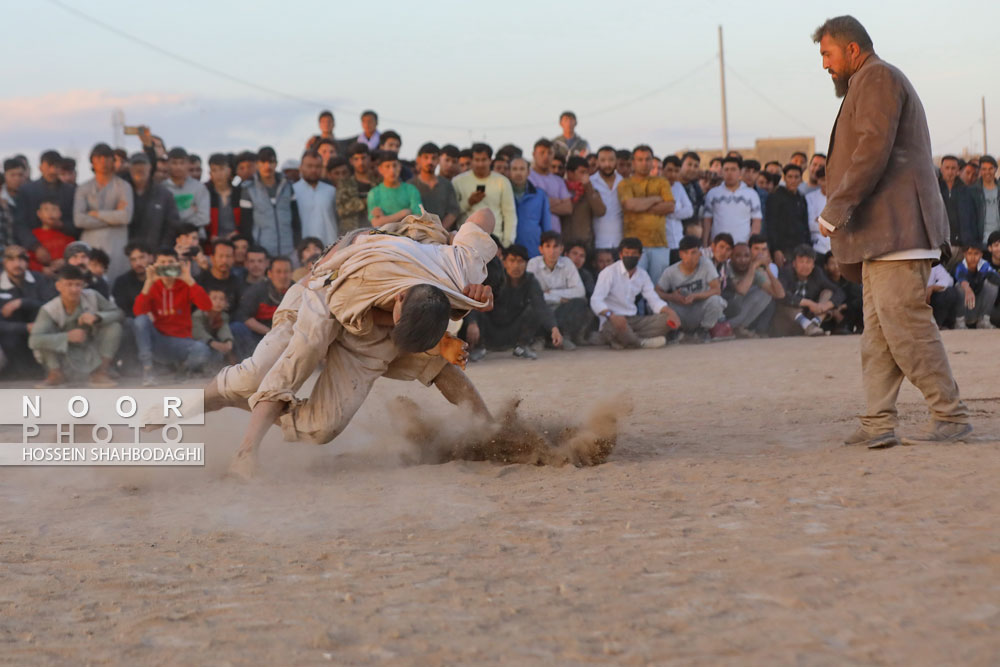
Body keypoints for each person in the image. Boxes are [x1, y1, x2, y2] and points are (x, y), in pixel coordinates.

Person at [214, 210, 498, 477]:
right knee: (264, 371)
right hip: (323, 288)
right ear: (398, 299)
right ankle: (244, 448)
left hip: (381, 303)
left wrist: (460, 258)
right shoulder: (361, 281)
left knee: (320, 429)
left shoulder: (462, 269)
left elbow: (485, 214)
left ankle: (489, 432)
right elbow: (323, 319)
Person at [814, 15, 970, 447]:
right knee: (879, 336)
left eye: (827, 54)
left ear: (851, 50)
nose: (823, 64)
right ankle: (877, 421)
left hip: (899, 230)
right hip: (882, 236)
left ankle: (951, 415)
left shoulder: (877, 77)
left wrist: (837, 207)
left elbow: (872, 149)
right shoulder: (869, 80)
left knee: (906, 326)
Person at [29, 264, 122, 388]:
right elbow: (34, 340)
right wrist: (67, 337)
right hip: (63, 356)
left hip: (90, 350)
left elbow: (119, 313)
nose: (74, 289)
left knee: (114, 327)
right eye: (69, 284)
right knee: (45, 336)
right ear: (58, 286)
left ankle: (100, 373)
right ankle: (55, 374)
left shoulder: (92, 296)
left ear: (83, 285)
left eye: (78, 285)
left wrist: (97, 317)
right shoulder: (49, 310)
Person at [132, 247, 215, 385]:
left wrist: (189, 280)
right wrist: (148, 282)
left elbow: (206, 306)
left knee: (202, 350)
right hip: (159, 340)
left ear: (177, 264)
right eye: (162, 262)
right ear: (155, 265)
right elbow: (139, 313)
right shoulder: (153, 285)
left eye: (170, 262)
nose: (166, 266)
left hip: (181, 343)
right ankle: (148, 369)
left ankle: (183, 369)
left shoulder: (185, 284)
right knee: (140, 321)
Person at [463, 243, 559, 361]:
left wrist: (553, 328)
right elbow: (474, 300)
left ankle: (521, 347)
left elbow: (541, 306)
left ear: (526, 263)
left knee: (533, 309)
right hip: (490, 328)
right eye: (512, 261)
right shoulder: (494, 277)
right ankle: (479, 348)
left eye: (520, 261)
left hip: (513, 329)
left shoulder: (530, 281)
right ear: (504, 262)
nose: (516, 266)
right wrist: (472, 323)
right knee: (479, 304)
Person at [589, 237, 679, 349]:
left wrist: (670, 312)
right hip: (612, 320)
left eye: (634, 254)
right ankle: (640, 343)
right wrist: (611, 315)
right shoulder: (609, 273)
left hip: (634, 320)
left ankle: (623, 341)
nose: (630, 256)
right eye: (627, 253)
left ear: (640, 256)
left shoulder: (642, 275)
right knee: (614, 327)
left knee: (667, 320)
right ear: (621, 255)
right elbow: (595, 300)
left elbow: (653, 299)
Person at [73, 143, 134, 279]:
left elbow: (125, 217)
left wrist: (96, 214)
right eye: (98, 158)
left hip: (117, 243)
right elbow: (79, 220)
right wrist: (113, 218)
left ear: (113, 161)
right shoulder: (83, 188)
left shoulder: (123, 186)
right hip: (91, 242)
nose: (103, 162)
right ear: (92, 161)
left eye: (107, 158)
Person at [656, 236, 732, 343]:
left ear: (700, 253)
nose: (690, 257)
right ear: (680, 254)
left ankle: (703, 331)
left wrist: (695, 296)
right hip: (680, 311)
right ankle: (675, 331)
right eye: (686, 253)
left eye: (694, 252)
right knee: (659, 305)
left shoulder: (706, 264)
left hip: (698, 310)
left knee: (716, 301)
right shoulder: (670, 272)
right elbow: (657, 292)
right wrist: (672, 297)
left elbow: (716, 290)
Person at [617, 145, 675, 285]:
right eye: (640, 159)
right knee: (633, 286)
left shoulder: (662, 182)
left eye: (648, 159)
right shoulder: (625, 184)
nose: (644, 163)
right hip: (633, 246)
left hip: (659, 244)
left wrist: (640, 206)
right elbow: (630, 205)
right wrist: (656, 199)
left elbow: (670, 206)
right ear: (633, 162)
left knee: (659, 286)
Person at [526, 231, 591, 348]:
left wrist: (552, 293)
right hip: (542, 308)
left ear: (561, 249)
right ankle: (539, 338)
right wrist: (560, 298)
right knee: (531, 306)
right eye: (548, 246)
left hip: (560, 308)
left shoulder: (567, 263)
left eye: (556, 246)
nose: (552, 251)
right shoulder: (533, 264)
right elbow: (531, 295)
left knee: (580, 303)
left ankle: (562, 337)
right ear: (541, 249)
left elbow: (580, 291)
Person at [0, 244, 54, 378]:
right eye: (11, 260)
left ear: (27, 262)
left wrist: (22, 302)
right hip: (10, 334)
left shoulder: (39, 279)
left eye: (21, 260)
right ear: (4, 262)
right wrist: (25, 327)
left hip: (40, 329)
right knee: (10, 341)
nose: (17, 264)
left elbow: (50, 305)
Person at [240, 146, 300, 259]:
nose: (267, 166)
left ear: (276, 163)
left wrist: (297, 244)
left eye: (271, 162)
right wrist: (253, 249)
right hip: (262, 251)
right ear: (257, 164)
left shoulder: (287, 186)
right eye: (263, 162)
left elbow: (296, 219)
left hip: (288, 250)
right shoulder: (249, 188)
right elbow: (246, 224)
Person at [452, 143, 517, 246]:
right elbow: (452, 213)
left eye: (484, 160)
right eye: (477, 160)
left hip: (494, 240)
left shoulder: (502, 181)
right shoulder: (458, 181)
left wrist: (507, 243)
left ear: (490, 160)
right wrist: (469, 202)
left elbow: (509, 214)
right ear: (472, 160)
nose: (480, 164)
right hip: (466, 241)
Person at [773, 245, 843, 337]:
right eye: (801, 262)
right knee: (786, 302)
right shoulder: (785, 273)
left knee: (827, 292)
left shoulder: (817, 273)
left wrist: (825, 306)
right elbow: (783, 296)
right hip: (788, 322)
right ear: (794, 263)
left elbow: (839, 292)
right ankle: (809, 326)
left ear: (813, 264)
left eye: (808, 262)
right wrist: (809, 303)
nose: (805, 266)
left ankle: (814, 323)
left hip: (811, 315)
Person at [14, 150, 78, 251]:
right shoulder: (27, 191)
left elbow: (77, 222)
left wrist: (61, 225)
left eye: (56, 166)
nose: (52, 170)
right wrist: (35, 247)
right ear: (40, 167)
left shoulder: (71, 192)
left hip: (64, 247)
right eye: (49, 166)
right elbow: (20, 224)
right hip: (34, 249)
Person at [231, 256, 293, 358]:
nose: (283, 276)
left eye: (286, 272)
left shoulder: (298, 291)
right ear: (269, 274)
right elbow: (244, 317)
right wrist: (271, 333)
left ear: (291, 274)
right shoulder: (257, 290)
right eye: (278, 272)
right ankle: (248, 363)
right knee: (237, 328)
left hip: (288, 338)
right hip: (260, 336)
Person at [724, 242, 784, 337]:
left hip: (737, 314)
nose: (743, 260)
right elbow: (741, 290)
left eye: (747, 256)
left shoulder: (753, 270)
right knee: (738, 298)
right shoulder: (727, 267)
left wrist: (767, 268)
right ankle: (727, 328)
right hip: (724, 313)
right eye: (738, 256)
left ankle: (737, 328)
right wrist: (753, 266)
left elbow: (780, 294)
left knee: (767, 294)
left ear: (751, 258)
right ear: (731, 257)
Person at [703, 156, 762, 247]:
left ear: (740, 172)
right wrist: (705, 243)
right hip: (718, 246)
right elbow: (707, 221)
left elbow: (756, 222)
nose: (729, 173)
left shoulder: (752, 194)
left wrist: (750, 244)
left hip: (742, 246)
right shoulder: (712, 194)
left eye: (733, 169)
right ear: (722, 172)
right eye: (726, 170)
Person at [126, 152, 179, 250]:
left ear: (150, 167)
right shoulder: (122, 192)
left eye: (143, 165)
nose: (139, 169)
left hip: (155, 254)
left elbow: (172, 225)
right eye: (135, 165)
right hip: (128, 255)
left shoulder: (164, 194)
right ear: (129, 168)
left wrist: (163, 248)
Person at [765, 164, 811, 266]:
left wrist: (808, 247)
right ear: (784, 178)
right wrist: (776, 249)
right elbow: (771, 225)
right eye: (790, 177)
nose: (793, 180)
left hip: (800, 248)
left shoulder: (801, 198)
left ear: (800, 179)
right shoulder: (775, 197)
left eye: (796, 177)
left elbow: (805, 225)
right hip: (783, 249)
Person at [409, 142, 460, 229]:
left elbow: (453, 212)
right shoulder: (410, 185)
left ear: (438, 160)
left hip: (442, 233)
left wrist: (440, 229)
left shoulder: (446, 185)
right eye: (426, 157)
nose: (430, 161)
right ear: (418, 160)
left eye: (434, 158)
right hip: (416, 233)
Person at [292, 149, 338, 245]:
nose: (313, 170)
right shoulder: (293, 191)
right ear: (300, 167)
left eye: (317, 166)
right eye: (309, 166)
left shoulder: (331, 190)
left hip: (331, 246)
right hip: (305, 249)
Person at [938, 155, 979, 261]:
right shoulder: (935, 189)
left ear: (958, 170)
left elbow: (972, 218)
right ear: (941, 169)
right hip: (939, 245)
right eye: (947, 168)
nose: (950, 171)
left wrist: (969, 243)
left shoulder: (965, 191)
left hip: (961, 246)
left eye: (953, 168)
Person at [367, 151, 422, 227]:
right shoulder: (374, 193)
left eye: (395, 165)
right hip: (385, 237)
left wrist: (385, 219)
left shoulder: (411, 190)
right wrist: (405, 212)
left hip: (409, 235)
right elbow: (376, 223)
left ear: (399, 167)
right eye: (387, 166)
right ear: (380, 169)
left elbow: (418, 217)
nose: (392, 170)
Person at [561, 156, 606, 248]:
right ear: (570, 173)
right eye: (582, 172)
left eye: (587, 173)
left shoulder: (590, 191)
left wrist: (588, 188)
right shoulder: (560, 189)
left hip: (584, 246)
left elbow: (600, 211)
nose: (585, 176)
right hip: (563, 244)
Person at [163, 147, 210, 234]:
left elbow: (204, 218)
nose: (178, 167)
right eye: (174, 163)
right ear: (167, 164)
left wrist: (178, 225)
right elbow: (161, 218)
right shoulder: (162, 188)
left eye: (182, 163)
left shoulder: (199, 187)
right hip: (168, 238)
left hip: (194, 238)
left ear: (188, 164)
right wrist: (191, 212)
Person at [528, 139, 572, 231]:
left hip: (554, 236)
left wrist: (542, 203)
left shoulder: (559, 181)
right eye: (542, 153)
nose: (546, 156)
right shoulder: (527, 178)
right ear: (534, 154)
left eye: (549, 153)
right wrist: (558, 201)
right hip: (534, 234)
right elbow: (530, 206)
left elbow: (568, 208)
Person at [510, 157, 550, 256]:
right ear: (509, 172)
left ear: (528, 172)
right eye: (514, 169)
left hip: (533, 248)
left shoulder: (539, 195)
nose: (518, 173)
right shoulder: (503, 193)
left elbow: (546, 225)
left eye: (522, 169)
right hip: (509, 248)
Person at [953, 243, 998, 329]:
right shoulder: (960, 266)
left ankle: (984, 321)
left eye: (976, 253)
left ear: (981, 254)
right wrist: (967, 289)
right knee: (959, 286)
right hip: (964, 308)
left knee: (992, 284)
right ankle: (959, 322)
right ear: (964, 254)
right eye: (969, 253)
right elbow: (961, 278)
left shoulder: (984, 265)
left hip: (978, 306)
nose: (973, 257)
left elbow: (995, 277)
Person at [27, 199, 74, 276]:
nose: (50, 213)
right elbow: (28, 259)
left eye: (54, 209)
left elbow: (75, 254)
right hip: (41, 276)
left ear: (60, 213)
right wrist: (42, 269)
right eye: (46, 209)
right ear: (39, 214)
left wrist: (66, 261)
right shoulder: (33, 236)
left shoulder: (67, 235)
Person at [590, 146, 624, 252]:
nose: (607, 164)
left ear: (616, 161)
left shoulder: (623, 182)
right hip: (598, 242)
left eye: (611, 160)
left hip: (620, 242)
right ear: (597, 162)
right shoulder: (590, 182)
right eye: (603, 160)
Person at [196, 239, 242, 316]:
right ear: (212, 258)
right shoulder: (200, 280)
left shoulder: (238, 283)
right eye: (221, 256)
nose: (224, 261)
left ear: (233, 259)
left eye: (228, 256)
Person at [335, 142, 374, 233]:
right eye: (356, 159)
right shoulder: (344, 184)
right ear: (351, 161)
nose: (361, 162)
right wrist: (367, 201)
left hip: (377, 233)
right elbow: (341, 210)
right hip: (351, 235)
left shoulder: (379, 182)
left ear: (369, 158)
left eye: (363, 158)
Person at [662, 156, 695, 257]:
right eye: (669, 170)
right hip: (663, 244)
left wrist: (671, 214)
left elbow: (689, 210)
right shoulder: (656, 186)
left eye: (676, 171)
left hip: (678, 242)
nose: (673, 174)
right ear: (663, 170)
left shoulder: (678, 186)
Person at [823, 252, 864, 334]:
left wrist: (845, 306)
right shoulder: (823, 280)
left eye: (839, 263)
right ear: (826, 266)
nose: (836, 267)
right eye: (832, 263)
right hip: (829, 315)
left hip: (848, 315)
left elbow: (861, 299)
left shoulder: (849, 279)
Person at [205, 153, 242, 244]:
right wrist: (211, 236)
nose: (218, 174)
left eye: (222, 169)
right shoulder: (205, 194)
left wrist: (237, 233)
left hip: (237, 242)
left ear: (229, 171)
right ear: (210, 173)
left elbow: (246, 220)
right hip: (212, 244)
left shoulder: (240, 193)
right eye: (214, 170)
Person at [192, 288, 235, 363]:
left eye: (221, 299)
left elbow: (224, 329)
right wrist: (214, 343)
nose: (218, 302)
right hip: (197, 342)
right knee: (202, 348)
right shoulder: (198, 315)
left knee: (219, 355)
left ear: (226, 303)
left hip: (211, 343)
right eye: (214, 298)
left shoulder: (223, 316)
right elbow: (198, 332)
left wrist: (228, 341)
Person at [112, 242, 153, 317]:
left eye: (142, 257)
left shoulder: (160, 279)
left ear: (151, 257)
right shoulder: (122, 282)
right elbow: (123, 310)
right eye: (133, 259)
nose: (138, 263)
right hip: (133, 321)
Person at [969, 155, 999, 244]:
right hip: (981, 241)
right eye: (984, 169)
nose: (987, 172)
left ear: (996, 169)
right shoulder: (972, 191)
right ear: (980, 171)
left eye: (990, 169)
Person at [926, 261, 962, 329]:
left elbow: (949, 280)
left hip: (929, 299)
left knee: (950, 292)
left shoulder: (933, 264)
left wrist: (932, 288)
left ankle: (938, 325)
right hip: (912, 299)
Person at [805, 167, 830, 254]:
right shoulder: (810, 198)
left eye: (829, 179)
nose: (827, 183)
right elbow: (810, 225)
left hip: (836, 248)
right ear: (818, 181)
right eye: (823, 180)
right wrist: (831, 224)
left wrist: (820, 220)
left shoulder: (840, 200)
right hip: (817, 248)